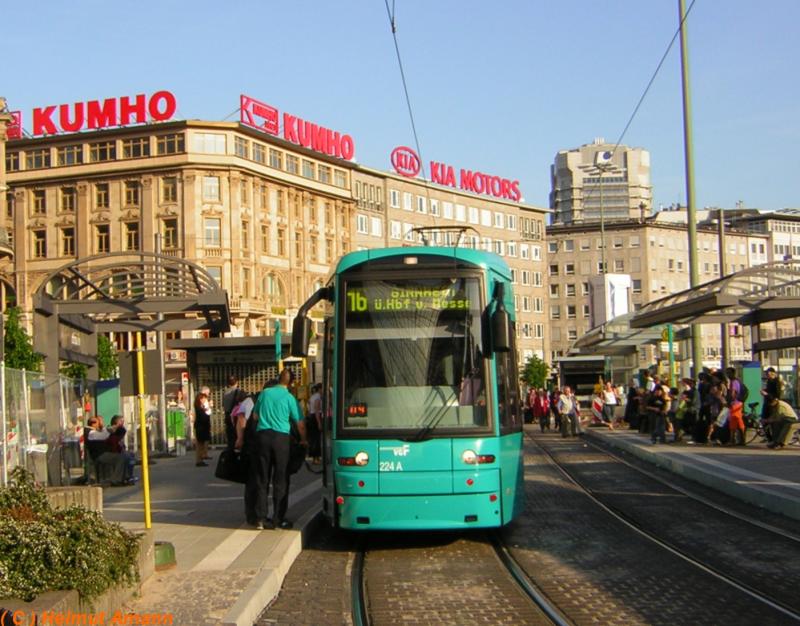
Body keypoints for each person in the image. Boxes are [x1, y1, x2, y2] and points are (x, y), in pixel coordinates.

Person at [251, 369, 307, 530]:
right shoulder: (290, 397)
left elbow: (255, 416)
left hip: (263, 437)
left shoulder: (265, 393)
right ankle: (278, 518)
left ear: (278, 378)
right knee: (281, 479)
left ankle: (261, 518)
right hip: (281, 439)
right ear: (291, 383)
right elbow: (300, 424)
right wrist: (303, 440)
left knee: (262, 478)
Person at [85, 416, 128, 485]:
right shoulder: (90, 432)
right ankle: (115, 480)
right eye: (99, 422)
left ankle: (122, 478)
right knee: (121, 458)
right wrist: (115, 427)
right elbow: (103, 435)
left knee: (124, 456)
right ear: (93, 424)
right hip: (99, 455)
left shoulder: (93, 431)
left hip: (102, 453)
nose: (100, 424)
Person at [107, 415, 136, 483]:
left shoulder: (120, 429)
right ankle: (127, 476)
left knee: (131, 455)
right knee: (128, 458)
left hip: (120, 449)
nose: (123, 422)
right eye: (121, 421)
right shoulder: (112, 429)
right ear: (116, 422)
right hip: (115, 451)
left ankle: (129, 475)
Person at [193, 391, 212, 467]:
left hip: (202, 428)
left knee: (201, 444)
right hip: (201, 428)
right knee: (200, 444)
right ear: (200, 399)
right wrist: (207, 411)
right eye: (204, 398)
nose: (205, 400)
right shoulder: (199, 408)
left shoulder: (201, 407)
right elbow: (203, 418)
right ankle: (199, 460)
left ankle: (200, 459)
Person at [222, 375, 240, 450]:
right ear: (237, 382)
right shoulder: (239, 392)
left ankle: (230, 451)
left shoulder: (225, 393)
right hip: (236, 417)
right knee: (237, 435)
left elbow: (224, 405)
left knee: (230, 437)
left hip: (227, 416)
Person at [306, 383, 323, 463]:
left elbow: (309, 406)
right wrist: (319, 422)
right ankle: (316, 458)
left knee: (313, 438)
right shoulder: (318, 397)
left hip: (311, 417)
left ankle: (314, 457)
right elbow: (316, 409)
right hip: (316, 417)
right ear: (320, 389)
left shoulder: (312, 396)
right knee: (316, 439)